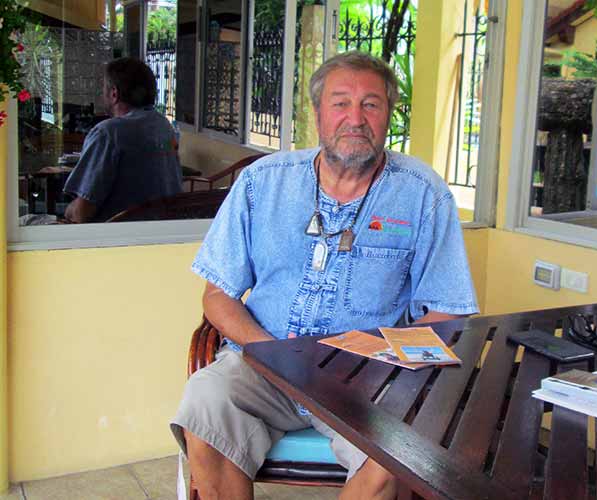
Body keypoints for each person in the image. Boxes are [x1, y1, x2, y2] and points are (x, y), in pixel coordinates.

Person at [171, 51, 478, 500]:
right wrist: (270, 352)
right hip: (263, 365)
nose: (355, 118)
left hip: (366, 381)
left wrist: (395, 360)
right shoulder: (263, 182)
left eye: (371, 104)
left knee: (404, 445)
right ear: (317, 113)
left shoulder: (422, 194)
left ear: (389, 114)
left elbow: (448, 312)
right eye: (340, 103)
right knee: (204, 401)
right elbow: (217, 294)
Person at [63, 57, 182, 223]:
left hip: (117, 237)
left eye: (103, 88)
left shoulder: (108, 133)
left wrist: (67, 211)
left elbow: (82, 213)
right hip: (161, 231)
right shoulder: (164, 126)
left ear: (114, 93)